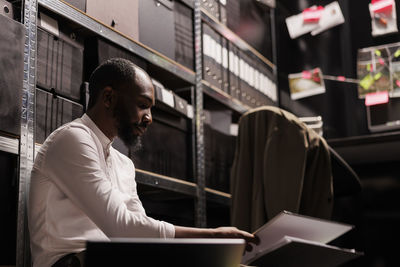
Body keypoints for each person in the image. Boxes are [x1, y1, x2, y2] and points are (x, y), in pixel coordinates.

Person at [28, 58, 257, 267]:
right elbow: (123, 227)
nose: (149, 118)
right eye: (142, 105)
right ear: (108, 98)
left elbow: (139, 228)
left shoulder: (123, 164)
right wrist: (213, 237)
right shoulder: (73, 138)